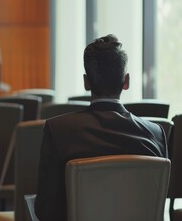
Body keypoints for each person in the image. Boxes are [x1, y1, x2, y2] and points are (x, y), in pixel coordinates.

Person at [34, 34, 168, 221]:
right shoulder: (156, 134)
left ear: (86, 82)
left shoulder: (58, 130)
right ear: (126, 81)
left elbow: (46, 211)